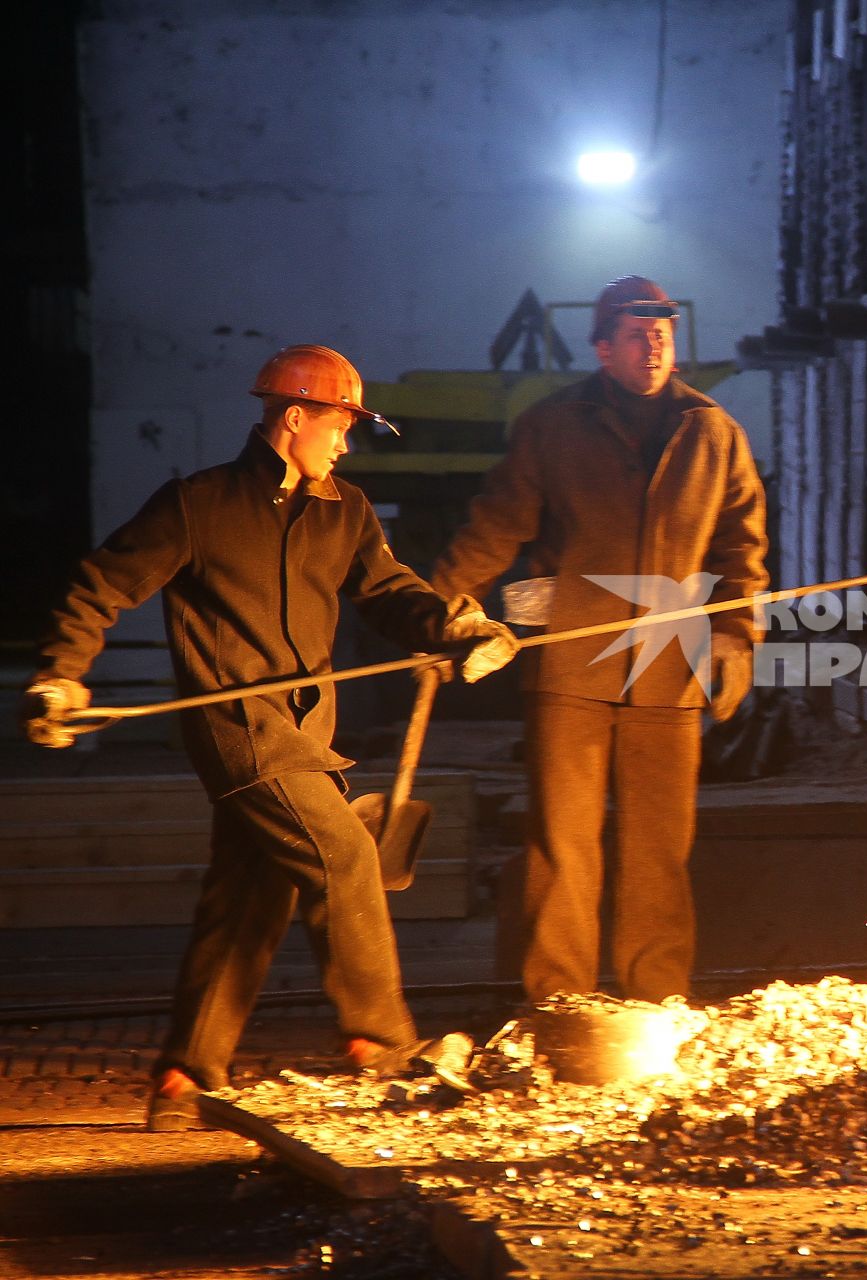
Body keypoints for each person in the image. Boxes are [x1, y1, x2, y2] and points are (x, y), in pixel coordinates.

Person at [21, 344, 520, 1131]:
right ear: (295, 419)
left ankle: (186, 1077)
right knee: (343, 855)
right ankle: (382, 1044)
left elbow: (391, 594)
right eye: (340, 425)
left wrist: (455, 628)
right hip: (235, 731)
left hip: (305, 732)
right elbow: (102, 585)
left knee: (248, 899)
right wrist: (61, 674)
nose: (346, 444)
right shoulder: (197, 506)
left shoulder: (344, 511)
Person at [430, 275, 767, 1004]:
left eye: (664, 333)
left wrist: (737, 639)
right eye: (638, 335)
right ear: (603, 348)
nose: (654, 345)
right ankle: (558, 1002)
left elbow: (742, 553)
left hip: (670, 670)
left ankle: (655, 1004)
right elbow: (497, 525)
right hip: (572, 667)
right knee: (563, 848)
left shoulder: (713, 433)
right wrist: (437, 606)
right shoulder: (552, 426)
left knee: (658, 853)